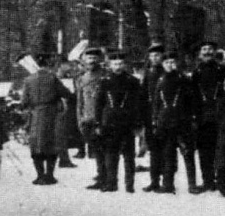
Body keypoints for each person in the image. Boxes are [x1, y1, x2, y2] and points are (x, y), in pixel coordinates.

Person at [20, 54, 72, 185]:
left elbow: (24, 102)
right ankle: (49, 175)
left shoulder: (28, 80)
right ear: (48, 64)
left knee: (36, 145)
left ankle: (39, 175)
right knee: (51, 144)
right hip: (51, 114)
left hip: (35, 115)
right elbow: (66, 94)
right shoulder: (52, 78)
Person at [95, 51, 142, 193]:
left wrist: (137, 124)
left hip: (127, 122)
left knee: (129, 156)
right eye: (115, 64)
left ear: (125, 65)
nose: (118, 66)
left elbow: (137, 103)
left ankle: (129, 185)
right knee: (110, 154)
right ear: (110, 65)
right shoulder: (105, 81)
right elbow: (99, 104)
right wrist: (98, 123)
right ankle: (111, 183)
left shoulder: (132, 81)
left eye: (121, 63)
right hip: (109, 122)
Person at [153, 50, 198, 194]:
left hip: (182, 121)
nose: (170, 65)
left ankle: (192, 184)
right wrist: (156, 120)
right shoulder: (160, 80)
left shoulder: (184, 80)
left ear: (177, 63)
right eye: (167, 62)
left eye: (172, 62)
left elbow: (191, 100)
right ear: (163, 64)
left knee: (188, 153)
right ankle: (168, 184)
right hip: (165, 122)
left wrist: (191, 118)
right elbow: (156, 103)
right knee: (168, 154)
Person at [190, 40, 225, 193]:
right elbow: (192, 95)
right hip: (202, 116)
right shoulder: (196, 72)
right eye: (204, 49)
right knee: (204, 150)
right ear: (200, 53)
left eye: (210, 49)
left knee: (221, 149)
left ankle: (222, 180)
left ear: (215, 52)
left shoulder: (222, 70)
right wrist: (194, 116)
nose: (207, 52)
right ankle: (208, 181)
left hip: (220, 114)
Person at [76, 47, 107, 190]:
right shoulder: (82, 78)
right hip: (87, 118)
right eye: (89, 58)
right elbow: (80, 101)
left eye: (95, 58)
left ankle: (106, 177)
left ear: (99, 59)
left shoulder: (105, 76)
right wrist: (80, 119)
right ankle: (102, 175)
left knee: (104, 149)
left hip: (102, 118)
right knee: (96, 150)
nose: (92, 61)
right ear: (84, 60)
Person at [141, 43, 166, 193]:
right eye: (152, 56)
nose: (154, 58)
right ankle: (154, 180)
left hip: (165, 116)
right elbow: (143, 96)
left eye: (157, 55)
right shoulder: (148, 73)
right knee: (154, 149)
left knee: (166, 150)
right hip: (150, 116)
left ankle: (167, 180)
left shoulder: (166, 72)